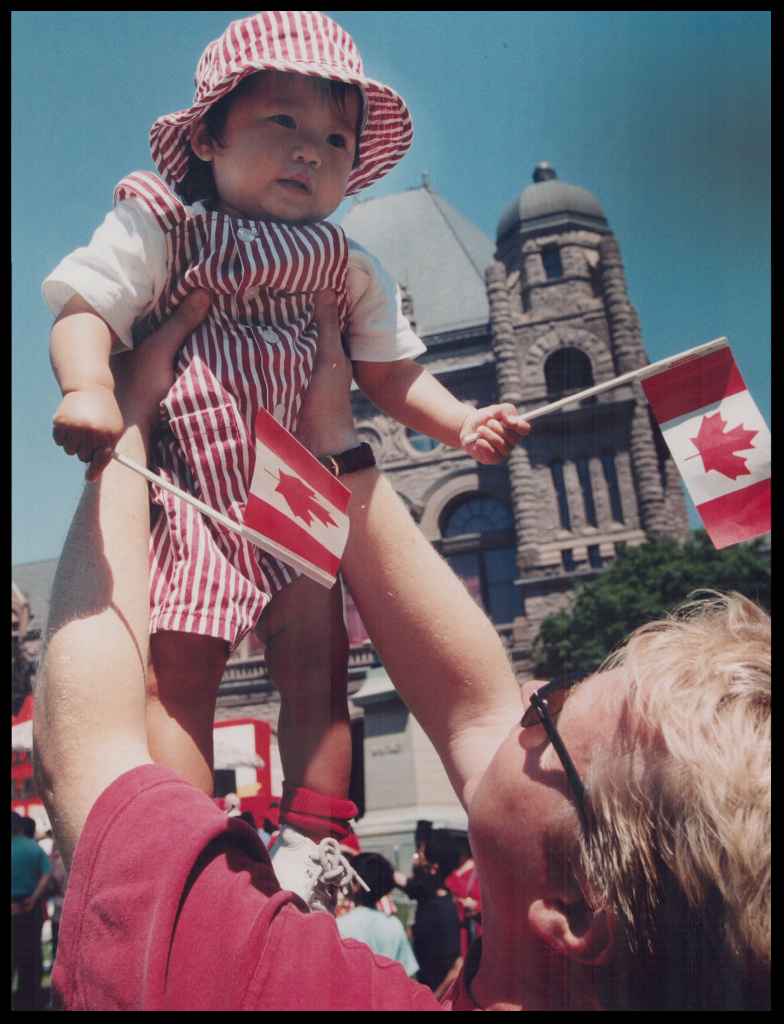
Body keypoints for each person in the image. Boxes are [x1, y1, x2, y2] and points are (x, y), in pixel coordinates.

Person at [34, 292, 770, 1010]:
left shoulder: (281, 984)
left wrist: (126, 417)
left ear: (576, 913)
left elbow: (89, 753)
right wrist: (335, 439)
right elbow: (470, 702)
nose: (523, 694)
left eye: (547, 712)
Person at [42, 11, 526, 910]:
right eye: (284, 123)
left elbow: (387, 370)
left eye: (337, 139)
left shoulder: (347, 264)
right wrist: (89, 389)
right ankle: (187, 840)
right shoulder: (165, 226)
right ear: (211, 135)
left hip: (297, 490)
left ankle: (314, 838)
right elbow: (86, 306)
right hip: (195, 494)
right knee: (178, 671)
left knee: (317, 665)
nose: (313, 151)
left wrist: (458, 423)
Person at [402, 830, 463, 998]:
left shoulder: (446, 912)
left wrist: (432, 1002)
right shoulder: (423, 893)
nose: (415, 859)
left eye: (420, 855)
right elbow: (397, 879)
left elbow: (456, 968)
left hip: (436, 998)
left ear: (433, 867)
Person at [337, 853, 419, 977]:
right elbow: (407, 974)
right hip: (388, 994)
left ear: (358, 884)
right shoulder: (394, 925)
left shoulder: (339, 925)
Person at [11, 811, 53, 1011]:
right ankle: (27, 1002)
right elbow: (47, 873)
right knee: (29, 957)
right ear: (20, 827)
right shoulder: (33, 848)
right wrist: (34, 898)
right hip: (29, 907)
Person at [445, 837, 481, 957]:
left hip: (476, 929)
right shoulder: (452, 869)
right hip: (456, 930)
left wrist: (478, 906)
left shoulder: (478, 867)